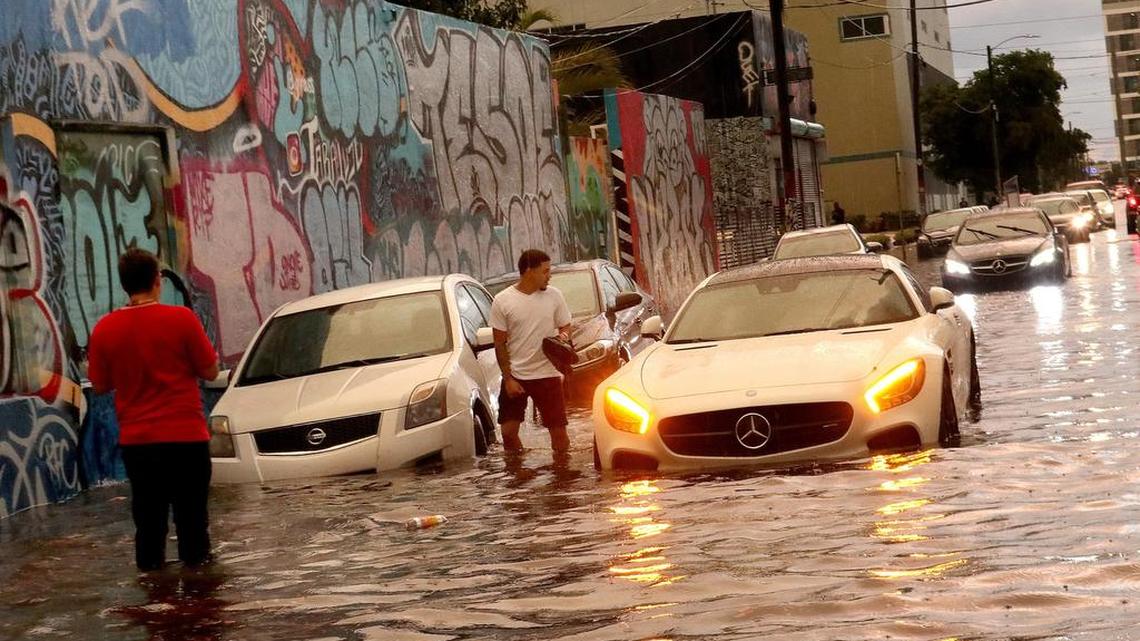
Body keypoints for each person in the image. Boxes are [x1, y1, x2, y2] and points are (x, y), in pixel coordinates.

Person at [87, 248, 220, 572]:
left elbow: (100, 385)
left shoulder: (105, 329)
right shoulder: (182, 319)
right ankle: (200, 608)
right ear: (157, 281)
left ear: (124, 286)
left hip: (139, 443)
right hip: (187, 438)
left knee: (148, 527)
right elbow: (211, 371)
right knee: (193, 526)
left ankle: (155, 606)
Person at [490, 249, 572, 453]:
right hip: (517, 376)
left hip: (548, 374)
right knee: (508, 433)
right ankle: (520, 476)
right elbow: (499, 344)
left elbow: (566, 326)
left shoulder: (555, 296)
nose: (549, 275)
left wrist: (562, 338)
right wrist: (508, 378)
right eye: (545, 271)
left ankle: (562, 478)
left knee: (559, 435)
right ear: (529, 271)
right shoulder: (502, 301)